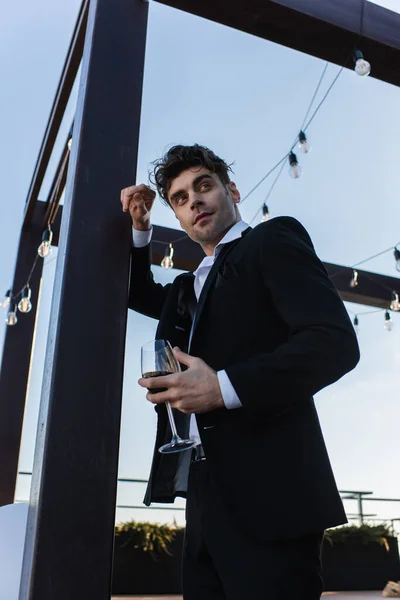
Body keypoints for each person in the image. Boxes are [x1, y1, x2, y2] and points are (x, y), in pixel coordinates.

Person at [121, 144, 360, 600]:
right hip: (204, 496)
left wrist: (222, 388)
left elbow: (333, 342)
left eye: (203, 186)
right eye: (179, 197)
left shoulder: (272, 241)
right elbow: (134, 292)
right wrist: (140, 229)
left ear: (230, 190)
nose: (194, 201)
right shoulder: (187, 286)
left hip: (273, 494)